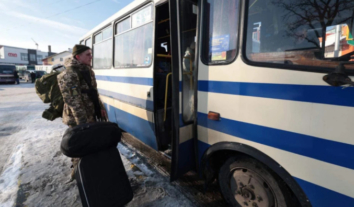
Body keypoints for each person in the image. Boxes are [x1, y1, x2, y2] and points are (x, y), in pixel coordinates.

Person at [57, 44, 107, 181]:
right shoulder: (69, 74)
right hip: (78, 117)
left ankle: (91, 169)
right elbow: (73, 101)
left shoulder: (88, 71)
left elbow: (94, 92)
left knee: (91, 143)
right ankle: (78, 173)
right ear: (78, 57)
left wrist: (101, 107)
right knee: (80, 144)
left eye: (91, 54)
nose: (91, 57)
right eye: (88, 55)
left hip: (90, 113)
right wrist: (82, 124)